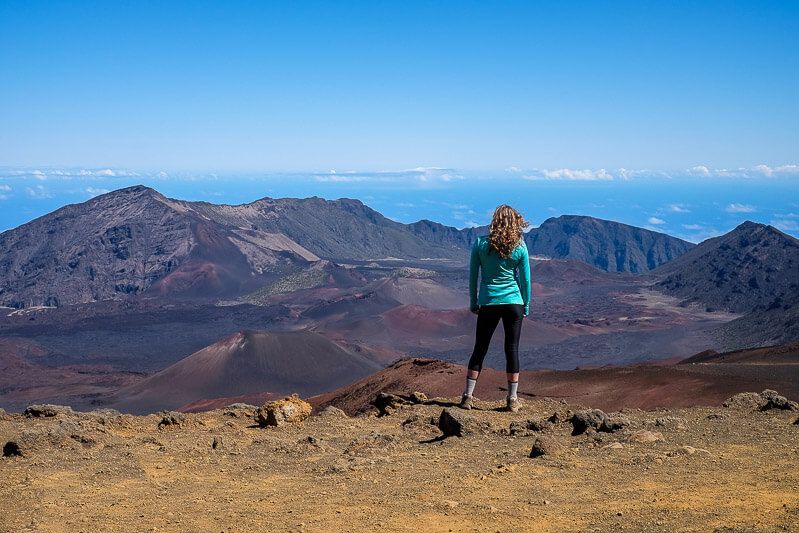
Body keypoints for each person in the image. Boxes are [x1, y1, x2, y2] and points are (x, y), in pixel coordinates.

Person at [460, 204, 531, 413]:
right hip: (513, 303)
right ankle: (512, 399)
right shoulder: (520, 247)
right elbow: (526, 280)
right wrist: (526, 305)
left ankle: (467, 397)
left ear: (494, 220)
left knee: (480, 348)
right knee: (512, 349)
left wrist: (474, 302)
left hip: (489, 302)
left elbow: (473, 277)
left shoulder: (480, 244)